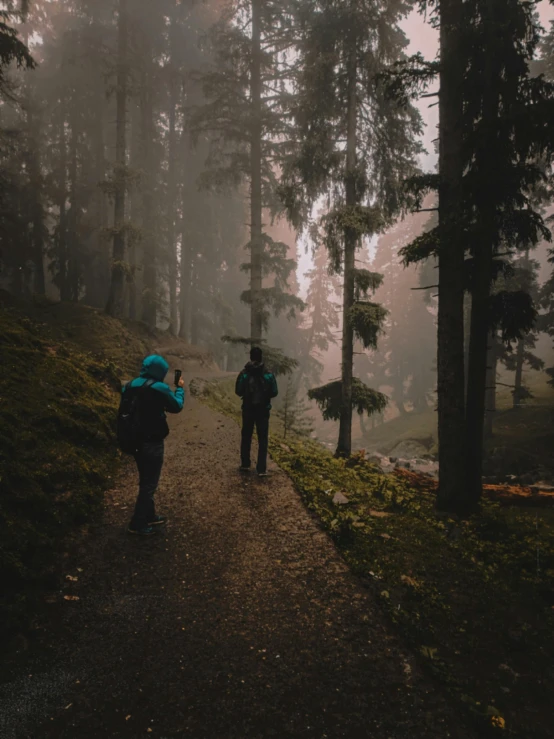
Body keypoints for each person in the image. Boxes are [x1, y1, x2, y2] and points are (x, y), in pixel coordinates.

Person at [124, 355, 185, 536]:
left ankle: (149, 514)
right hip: (152, 442)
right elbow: (176, 406)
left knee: (145, 478)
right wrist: (180, 389)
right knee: (149, 483)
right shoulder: (159, 388)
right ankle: (138, 523)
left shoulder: (129, 386)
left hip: (133, 440)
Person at [235, 346, 278, 477]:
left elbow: (238, 391)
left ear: (250, 357)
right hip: (263, 411)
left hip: (248, 409)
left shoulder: (244, 373)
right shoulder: (268, 374)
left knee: (246, 436)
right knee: (263, 439)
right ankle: (261, 469)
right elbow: (274, 392)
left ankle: (245, 464)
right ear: (261, 357)